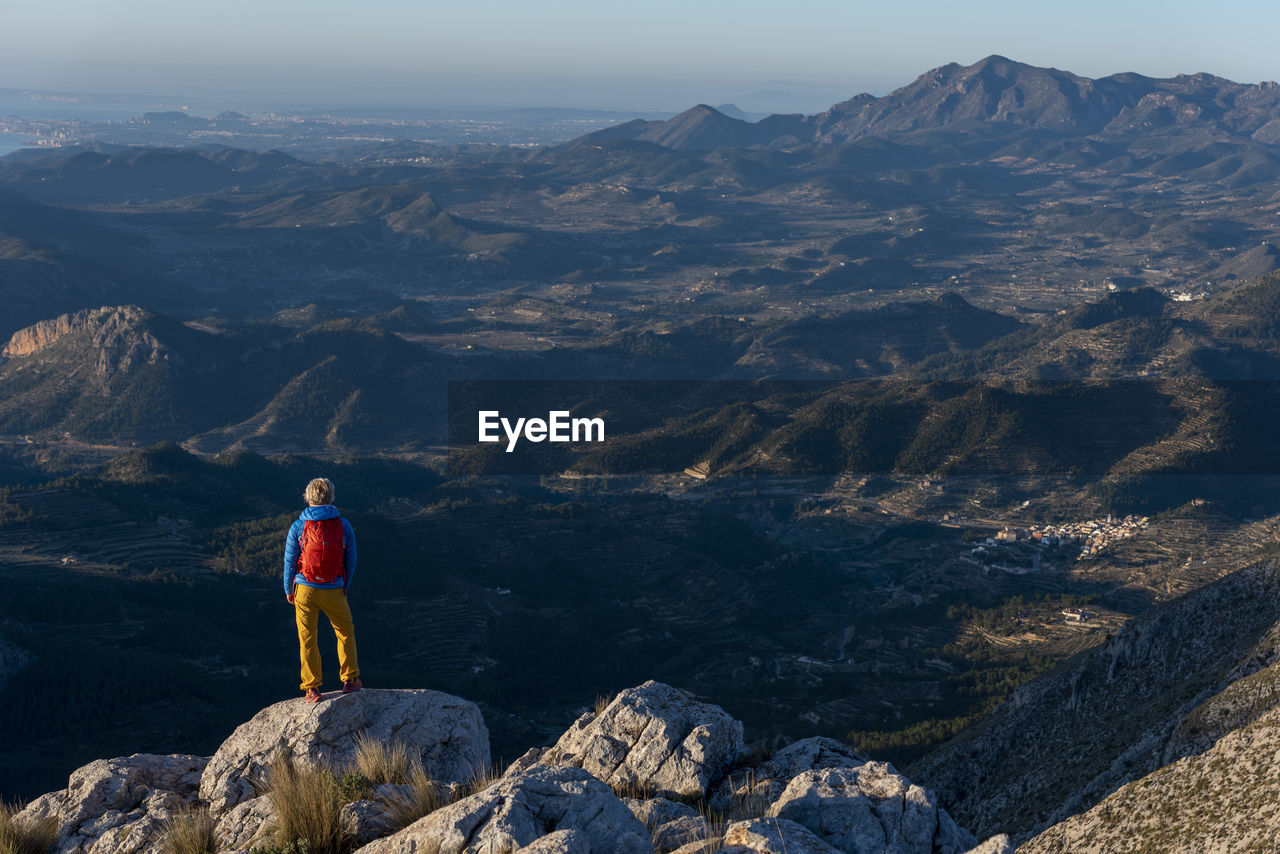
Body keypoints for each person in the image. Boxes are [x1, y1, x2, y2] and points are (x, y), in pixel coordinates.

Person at [283, 477, 361, 702]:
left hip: (304, 589)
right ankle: (350, 680)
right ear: (331, 497)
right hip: (334, 589)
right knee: (345, 632)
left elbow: (290, 561)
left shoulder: (298, 526)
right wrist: (344, 585)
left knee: (307, 637)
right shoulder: (343, 525)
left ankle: (312, 688)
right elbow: (351, 559)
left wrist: (289, 588)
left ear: (308, 497)